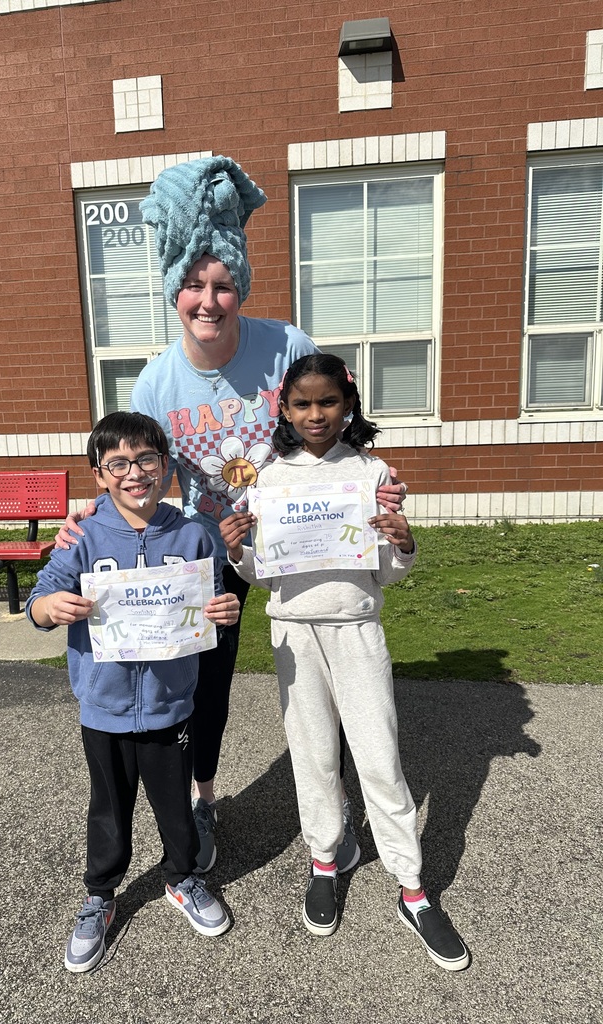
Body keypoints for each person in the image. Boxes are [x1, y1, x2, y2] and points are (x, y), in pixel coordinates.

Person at [57, 155, 406, 873]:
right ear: (174, 291)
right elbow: (138, 467)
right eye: (193, 285)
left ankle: (338, 800)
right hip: (214, 544)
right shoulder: (158, 378)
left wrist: (375, 485)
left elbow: (332, 429)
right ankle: (203, 798)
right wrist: (87, 521)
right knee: (205, 682)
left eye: (221, 285)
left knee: (329, 666)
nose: (208, 300)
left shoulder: (286, 346)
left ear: (239, 288)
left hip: (298, 541)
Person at [219, 353, 470, 972]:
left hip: (357, 629)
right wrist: (237, 555)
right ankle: (327, 860)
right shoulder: (269, 478)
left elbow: (385, 568)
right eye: (302, 404)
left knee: (380, 758)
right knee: (313, 757)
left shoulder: (371, 471)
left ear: (348, 404)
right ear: (284, 409)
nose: (315, 414)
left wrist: (405, 544)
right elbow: (264, 570)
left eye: (327, 402)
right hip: (295, 636)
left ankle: (412, 889)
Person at [27, 411, 240, 973]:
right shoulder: (81, 534)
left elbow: (216, 601)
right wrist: (51, 609)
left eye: (146, 459)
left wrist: (226, 610)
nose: (134, 473)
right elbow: (41, 597)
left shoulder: (195, 533)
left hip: (173, 704)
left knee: (175, 804)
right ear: (98, 474)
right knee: (109, 807)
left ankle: (182, 877)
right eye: (117, 463)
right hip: (105, 704)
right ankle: (100, 893)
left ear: (165, 466)